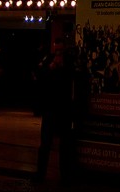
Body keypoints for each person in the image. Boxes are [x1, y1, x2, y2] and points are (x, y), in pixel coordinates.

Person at [31, 40, 75, 184]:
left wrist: (55, 68)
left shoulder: (67, 63)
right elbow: (40, 77)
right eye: (57, 49)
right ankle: (43, 174)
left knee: (64, 145)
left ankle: (65, 175)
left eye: (60, 49)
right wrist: (50, 68)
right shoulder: (49, 61)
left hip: (62, 110)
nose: (58, 52)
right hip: (52, 109)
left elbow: (70, 79)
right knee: (46, 144)